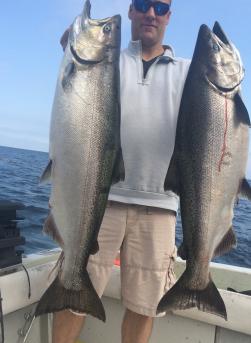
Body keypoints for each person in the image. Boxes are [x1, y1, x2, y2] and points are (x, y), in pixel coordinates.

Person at [53, 0, 190, 342]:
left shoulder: (189, 71)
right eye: (143, 4)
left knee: (145, 307)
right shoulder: (108, 59)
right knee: (73, 295)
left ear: (169, 17)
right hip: (97, 198)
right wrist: (72, 43)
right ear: (131, 10)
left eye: (160, 7)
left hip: (160, 205)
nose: (151, 14)